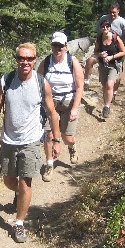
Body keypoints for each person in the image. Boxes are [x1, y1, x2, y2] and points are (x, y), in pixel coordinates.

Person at [0, 42, 61, 243]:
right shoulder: (6, 80)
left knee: (25, 181)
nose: (25, 62)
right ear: (16, 59)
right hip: (8, 141)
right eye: (21, 58)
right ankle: (19, 195)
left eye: (29, 58)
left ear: (35, 60)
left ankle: (19, 224)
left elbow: (53, 113)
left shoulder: (41, 83)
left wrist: (56, 139)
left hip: (31, 142)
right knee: (9, 181)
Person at [37, 32, 84, 182]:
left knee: (66, 136)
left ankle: (72, 147)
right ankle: (49, 163)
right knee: (49, 135)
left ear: (66, 47)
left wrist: (75, 108)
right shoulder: (46, 62)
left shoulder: (72, 62)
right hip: (50, 104)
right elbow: (38, 82)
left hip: (68, 102)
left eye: (60, 46)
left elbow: (80, 86)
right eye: (55, 45)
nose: (57, 48)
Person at [84, 3, 125, 100]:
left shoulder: (122, 22)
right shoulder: (104, 18)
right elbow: (98, 32)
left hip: (117, 51)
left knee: (116, 75)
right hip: (103, 49)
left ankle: (114, 92)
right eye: (110, 12)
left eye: (114, 12)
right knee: (90, 60)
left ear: (118, 11)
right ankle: (86, 82)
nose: (112, 14)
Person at [94, 21, 125, 118]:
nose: (105, 28)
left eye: (107, 26)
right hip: (102, 65)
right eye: (103, 26)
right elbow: (95, 51)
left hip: (114, 65)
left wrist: (112, 57)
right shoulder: (99, 39)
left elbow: (123, 52)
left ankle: (107, 107)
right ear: (100, 28)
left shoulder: (115, 37)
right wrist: (100, 54)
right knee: (104, 86)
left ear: (110, 27)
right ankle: (108, 101)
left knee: (109, 84)